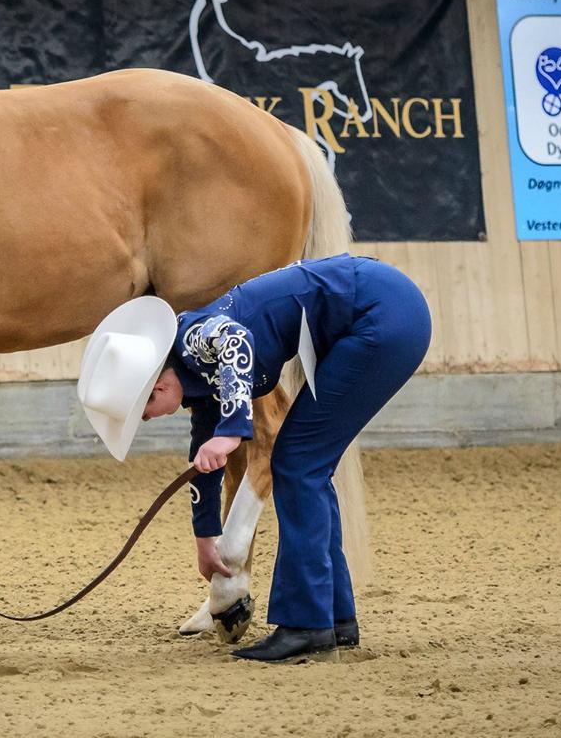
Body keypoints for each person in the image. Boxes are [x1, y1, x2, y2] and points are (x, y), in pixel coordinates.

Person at [77, 253, 431, 662]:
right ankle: (334, 619)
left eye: (144, 411)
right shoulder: (196, 378)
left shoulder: (193, 338)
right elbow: (202, 459)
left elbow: (236, 342)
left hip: (382, 314)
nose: (149, 418)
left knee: (297, 463)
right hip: (386, 309)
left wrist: (231, 433)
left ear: (155, 388)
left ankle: (306, 625)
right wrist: (205, 538)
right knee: (306, 467)